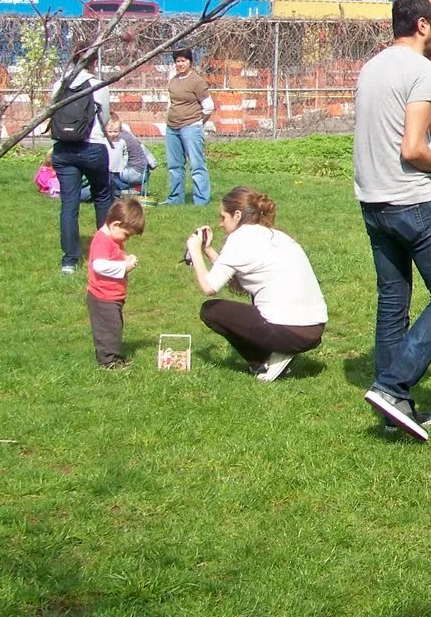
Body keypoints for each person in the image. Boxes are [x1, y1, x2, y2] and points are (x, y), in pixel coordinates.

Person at [353, 0, 431, 441]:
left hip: (373, 201)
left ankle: (393, 408)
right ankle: (393, 385)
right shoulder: (421, 71)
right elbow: (413, 148)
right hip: (412, 201)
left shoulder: (372, 67)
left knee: (392, 301)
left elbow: (410, 125)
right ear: (422, 25)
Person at [186, 185, 328, 383]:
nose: (220, 224)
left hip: (291, 331)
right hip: (313, 328)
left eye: (223, 217)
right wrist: (208, 249)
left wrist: (194, 250)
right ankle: (273, 356)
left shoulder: (239, 239)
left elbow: (209, 287)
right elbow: (235, 277)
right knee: (248, 305)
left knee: (211, 310)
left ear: (237, 215)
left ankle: (265, 360)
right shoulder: (274, 235)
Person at [49, 45, 115, 273]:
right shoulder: (98, 85)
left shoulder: (60, 84)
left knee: (69, 204)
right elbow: (105, 118)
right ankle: (105, 253)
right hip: (92, 147)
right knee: (102, 197)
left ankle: (69, 260)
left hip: (64, 149)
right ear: (93, 62)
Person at [86, 197, 144, 369]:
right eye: (126, 235)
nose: (126, 239)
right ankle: (108, 361)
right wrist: (124, 267)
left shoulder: (113, 239)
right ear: (115, 225)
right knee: (107, 328)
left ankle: (114, 356)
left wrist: (125, 257)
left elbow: (113, 256)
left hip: (113, 295)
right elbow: (99, 266)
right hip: (103, 296)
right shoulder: (102, 240)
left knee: (114, 327)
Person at [163, 48, 214, 206]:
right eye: (177, 61)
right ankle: (175, 199)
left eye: (183, 61)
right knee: (175, 166)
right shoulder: (173, 80)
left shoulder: (197, 81)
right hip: (172, 128)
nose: (180, 64)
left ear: (190, 62)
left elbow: (208, 106)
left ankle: (201, 200)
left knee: (197, 165)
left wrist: (198, 123)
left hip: (191, 127)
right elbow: (172, 102)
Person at [107, 110, 157, 198]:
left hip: (135, 172)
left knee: (108, 175)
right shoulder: (125, 132)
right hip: (142, 171)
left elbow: (113, 161)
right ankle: (134, 188)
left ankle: (122, 192)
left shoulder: (118, 138)